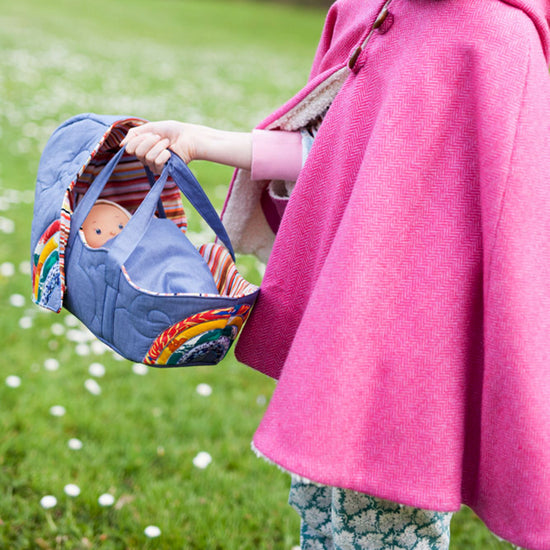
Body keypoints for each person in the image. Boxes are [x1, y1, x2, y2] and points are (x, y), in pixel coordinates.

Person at [121, 0, 550, 548]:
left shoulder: (495, 39)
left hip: (418, 358)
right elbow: (325, 151)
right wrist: (201, 141)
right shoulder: (367, 9)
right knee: (323, 510)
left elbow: (514, 225)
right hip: (344, 320)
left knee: (384, 524)